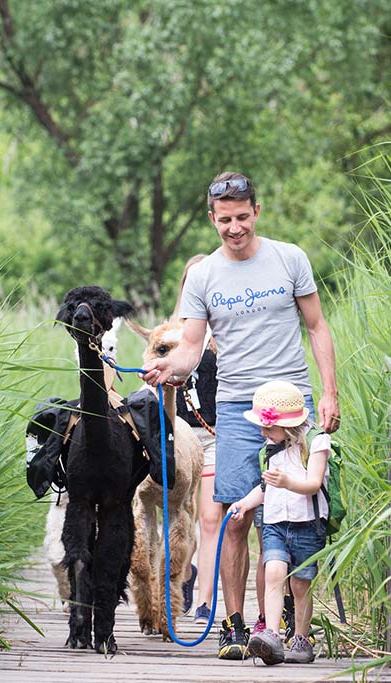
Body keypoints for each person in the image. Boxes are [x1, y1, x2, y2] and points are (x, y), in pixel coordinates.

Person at [141, 171, 339, 661]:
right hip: (235, 406)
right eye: (225, 220)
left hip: (291, 405)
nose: (235, 228)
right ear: (212, 218)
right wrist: (167, 368)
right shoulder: (205, 275)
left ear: (257, 212)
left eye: (243, 217)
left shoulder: (289, 258)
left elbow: (316, 327)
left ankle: (289, 625)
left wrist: (329, 393)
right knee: (236, 517)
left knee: (296, 515)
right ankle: (233, 628)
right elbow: (190, 347)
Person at [230, 380, 329, 665]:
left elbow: (312, 483)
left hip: (306, 524)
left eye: (267, 427)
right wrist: (244, 504)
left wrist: (287, 482)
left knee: (300, 584)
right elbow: (265, 488)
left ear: (288, 427)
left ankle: (300, 636)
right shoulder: (270, 448)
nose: (262, 432)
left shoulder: (316, 443)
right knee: (273, 572)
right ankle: (272, 635)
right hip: (275, 523)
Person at [172, 255, 220, 625]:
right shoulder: (171, 334)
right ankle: (180, 577)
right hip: (179, 437)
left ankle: (204, 597)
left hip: (214, 436)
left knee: (208, 518)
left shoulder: (226, 333)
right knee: (178, 514)